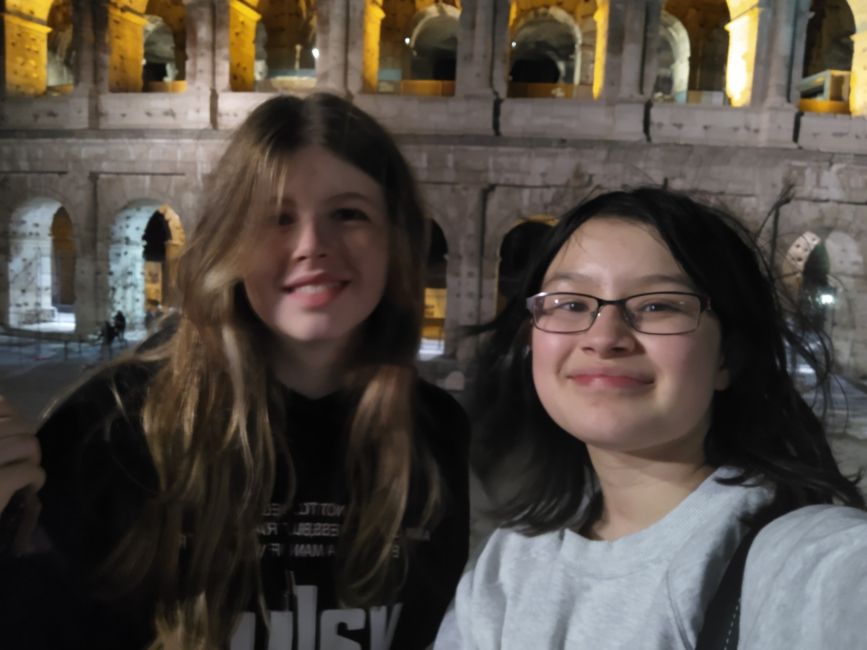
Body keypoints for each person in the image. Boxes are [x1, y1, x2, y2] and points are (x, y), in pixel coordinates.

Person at [0, 93, 470, 650]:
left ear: (396, 241)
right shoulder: (108, 429)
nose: (312, 246)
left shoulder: (435, 431)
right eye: (276, 217)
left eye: (349, 213)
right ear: (231, 240)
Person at [435, 187, 867, 649]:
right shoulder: (510, 558)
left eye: (658, 304)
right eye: (571, 303)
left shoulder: (810, 560)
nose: (604, 338)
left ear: (728, 358)